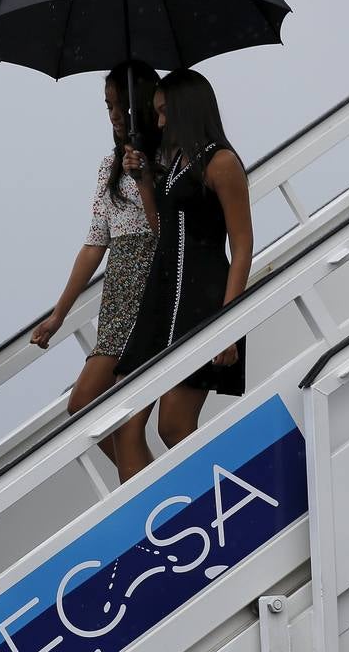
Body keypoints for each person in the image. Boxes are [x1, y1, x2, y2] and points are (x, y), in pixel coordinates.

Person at [114, 68, 253, 479]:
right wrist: (143, 183)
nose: (158, 122)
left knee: (173, 426)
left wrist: (228, 325)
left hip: (202, 298)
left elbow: (242, 245)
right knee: (125, 419)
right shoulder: (176, 162)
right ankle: (150, 522)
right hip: (161, 297)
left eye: (162, 112)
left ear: (184, 109)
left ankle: (222, 503)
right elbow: (165, 233)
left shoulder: (221, 162)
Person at [31, 61, 161, 481]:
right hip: (118, 293)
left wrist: (144, 175)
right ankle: (152, 485)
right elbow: (94, 244)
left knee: (110, 410)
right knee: (88, 407)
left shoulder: (165, 157)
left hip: (151, 282)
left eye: (121, 105)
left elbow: (166, 228)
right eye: (108, 106)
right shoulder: (110, 166)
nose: (115, 115)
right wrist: (58, 315)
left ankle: (147, 494)